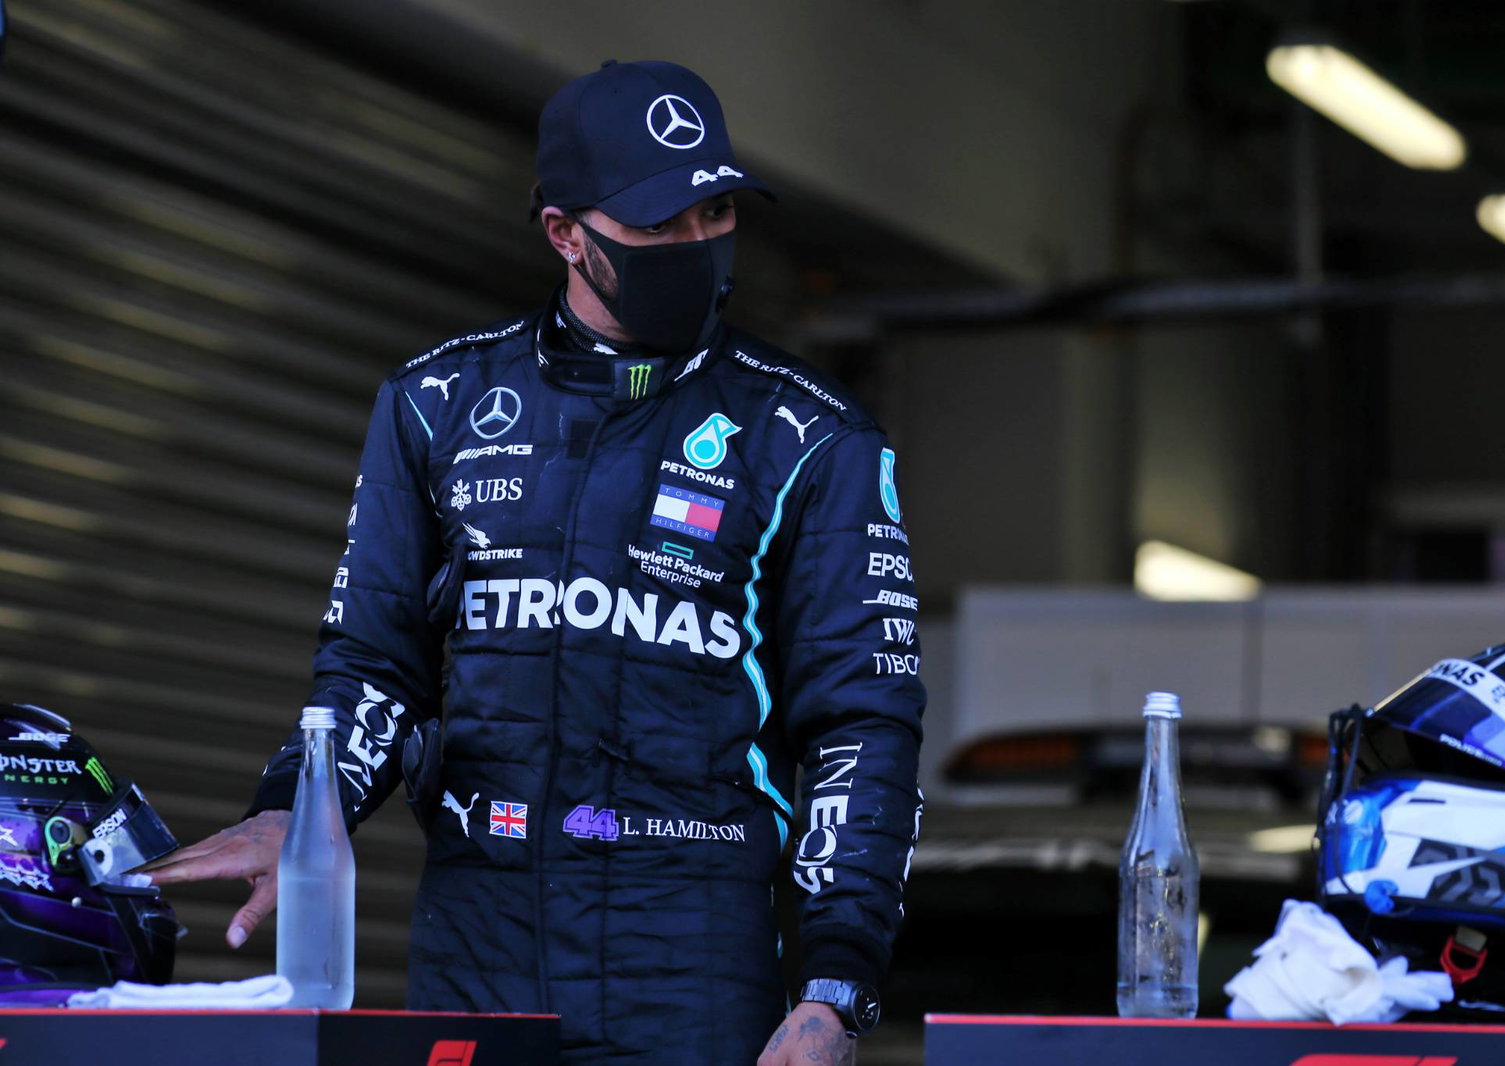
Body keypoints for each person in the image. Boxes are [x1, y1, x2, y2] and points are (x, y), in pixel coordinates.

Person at [144, 59, 924, 1065]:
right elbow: (374, 661)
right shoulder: (438, 403)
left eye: (716, 212)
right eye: (659, 222)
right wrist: (296, 807)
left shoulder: (811, 435)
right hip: (479, 944)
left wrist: (835, 991)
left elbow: (864, 724)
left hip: (691, 959)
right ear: (564, 230)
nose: (697, 244)